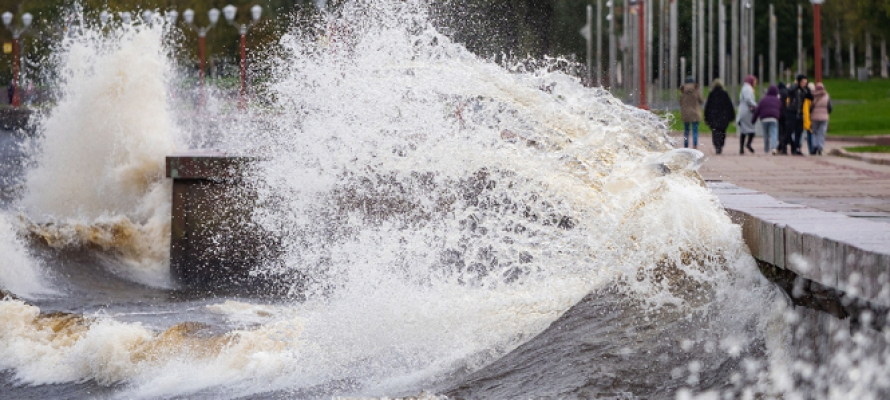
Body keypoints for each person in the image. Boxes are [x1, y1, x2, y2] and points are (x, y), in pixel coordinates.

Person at [703, 78, 735, 154]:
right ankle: (721, 144)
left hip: (713, 117)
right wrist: (732, 116)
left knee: (715, 132)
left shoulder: (711, 94)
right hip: (723, 117)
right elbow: (729, 106)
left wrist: (706, 118)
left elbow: (708, 107)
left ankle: (717, 145)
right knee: (722, 131)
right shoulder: (725, 94)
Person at [784, 74, 813, 155]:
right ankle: (783, 146)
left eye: (806, 82)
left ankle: (796, 148)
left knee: (799, 132)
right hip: (791, 112)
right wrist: (796, 85)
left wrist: (807, 89)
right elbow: (788, 90)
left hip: (800, 113)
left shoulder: (805, 90)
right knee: (789, 130)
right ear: (799, 82)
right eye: (803, 82)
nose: (804, 84)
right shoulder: (794, 89)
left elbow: (811, 97)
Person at [752, 85, 782, 154]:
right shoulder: (777, 100)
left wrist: (753, 120)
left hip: (764, 119)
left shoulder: (763, 99)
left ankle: (766, 149)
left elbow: (757, 110)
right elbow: (781, 109)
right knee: (774, 133)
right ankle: (774, 148)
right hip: (774, 118)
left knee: (765, 134)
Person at [678, 76, 703, 149]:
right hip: (695, 113)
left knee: (686, 131)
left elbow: (680, 102)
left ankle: (686, 146)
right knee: (695, 130)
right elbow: (701, 100)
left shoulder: (683, 91)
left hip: (686, 114)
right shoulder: (696, 90)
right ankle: (695, 146)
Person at [737, 75, 757, 154]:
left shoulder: (745, 88)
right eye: (755, 81)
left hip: (743, 111)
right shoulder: (748, 88)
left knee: (743, 131)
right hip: (747, 112)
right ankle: (748, 144)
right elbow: (748, 99)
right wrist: (756, 105)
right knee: (751, 130)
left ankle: (741, 149)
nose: (755, 83)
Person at [810, 83, 832, 155]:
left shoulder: (813, 96)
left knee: (814, 132)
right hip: (824, 117)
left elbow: (810, 108)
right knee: (822, 133)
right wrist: (826, 113)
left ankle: (815, 146)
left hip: (815, 117)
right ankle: (820, 147)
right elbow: (830, 108)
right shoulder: (827, 96)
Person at [803, 82, 816, 154]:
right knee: (814, 133)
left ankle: (811, 149)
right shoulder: (816, 96)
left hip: (809, 117)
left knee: (809, 134)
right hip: (814, 117)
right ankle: (814, 148)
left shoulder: (806, 97)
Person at [777, 82, 789, 154]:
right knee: (785, 130)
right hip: (786, 113)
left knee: (780, 131)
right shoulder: (787, 92)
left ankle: (781, 144)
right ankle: (784, 147)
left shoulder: (777, 92)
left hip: (778, 114)